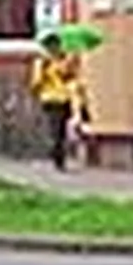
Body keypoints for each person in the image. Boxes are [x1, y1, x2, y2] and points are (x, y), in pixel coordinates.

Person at [29, 33, 86, 171]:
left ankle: (61, 153)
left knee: (64, 129)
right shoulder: (42, 63)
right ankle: (58, 158)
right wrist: (45, 75)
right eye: (52, 46)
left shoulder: (64, 60)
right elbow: (36, 83)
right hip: (51, 99)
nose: (55, 49)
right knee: (57, 130)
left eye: (57, 45)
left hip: (66, 98)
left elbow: (71, 76)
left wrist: (72, 62)